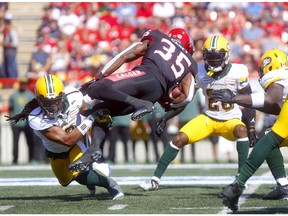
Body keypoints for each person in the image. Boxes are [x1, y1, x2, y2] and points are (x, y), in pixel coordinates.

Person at [68, 28, 198, 172]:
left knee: (96, 87)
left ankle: (138, 104)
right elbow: (187, 96)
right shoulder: (190, 63)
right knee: (101, 111)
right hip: (155, 94)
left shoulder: (158, 37)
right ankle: (94, 149)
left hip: (144, 76)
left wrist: (99, 76)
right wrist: (166, 107)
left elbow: (126, 54)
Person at [138, 34, 257, 191]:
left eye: (217, 57)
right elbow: (186, 99)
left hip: (231, 120)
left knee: (242, 131)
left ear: (226, 56)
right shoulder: (199, 70)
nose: (213, 61)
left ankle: (241, 179)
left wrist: (252, 127)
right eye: (210, 57)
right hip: (208, 119)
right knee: (179, 138)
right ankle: (154, 179)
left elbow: (249, 101)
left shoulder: (238, 71)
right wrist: (167, 116)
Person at [5, 74, 124, 200]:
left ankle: (111, 184)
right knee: (65, 181)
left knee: (79, 175)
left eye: (55, 101)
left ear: (62, 95)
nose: (52, 106)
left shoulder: (73, 95)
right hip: (57, 150)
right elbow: (66, 140)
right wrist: (91, 119)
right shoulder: (36, 117)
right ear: (39, 101)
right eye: (47, 102)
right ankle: (93, 174)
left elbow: (84, 109)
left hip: (77, 141)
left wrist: (95, 117)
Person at [211, 49, 288, 212]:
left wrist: (233, 98)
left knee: (270, 139)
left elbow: (270, 99)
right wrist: (243, 102)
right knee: (269, 138)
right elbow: (275, 107)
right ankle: (283, 185)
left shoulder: (280, 76)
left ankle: (237, 185)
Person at [8, 77, 35, 164]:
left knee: (30, 142)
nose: (23, 85)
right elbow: (10, 109)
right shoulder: (14, 95)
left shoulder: (30, 95)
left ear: (26, 84)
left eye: (24, 84)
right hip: (16, 124)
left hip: (27, 123)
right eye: (22, 84)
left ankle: (32, 159)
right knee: (15, 143)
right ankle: (15, 159)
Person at [1, 13, 18, 78]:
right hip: (7, 51)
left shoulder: (12, 31)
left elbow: (15, 43)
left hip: (11, 51)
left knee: (11, 66)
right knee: (6, 66)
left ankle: (12, 81)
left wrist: (6, 44)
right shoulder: (7, 31)